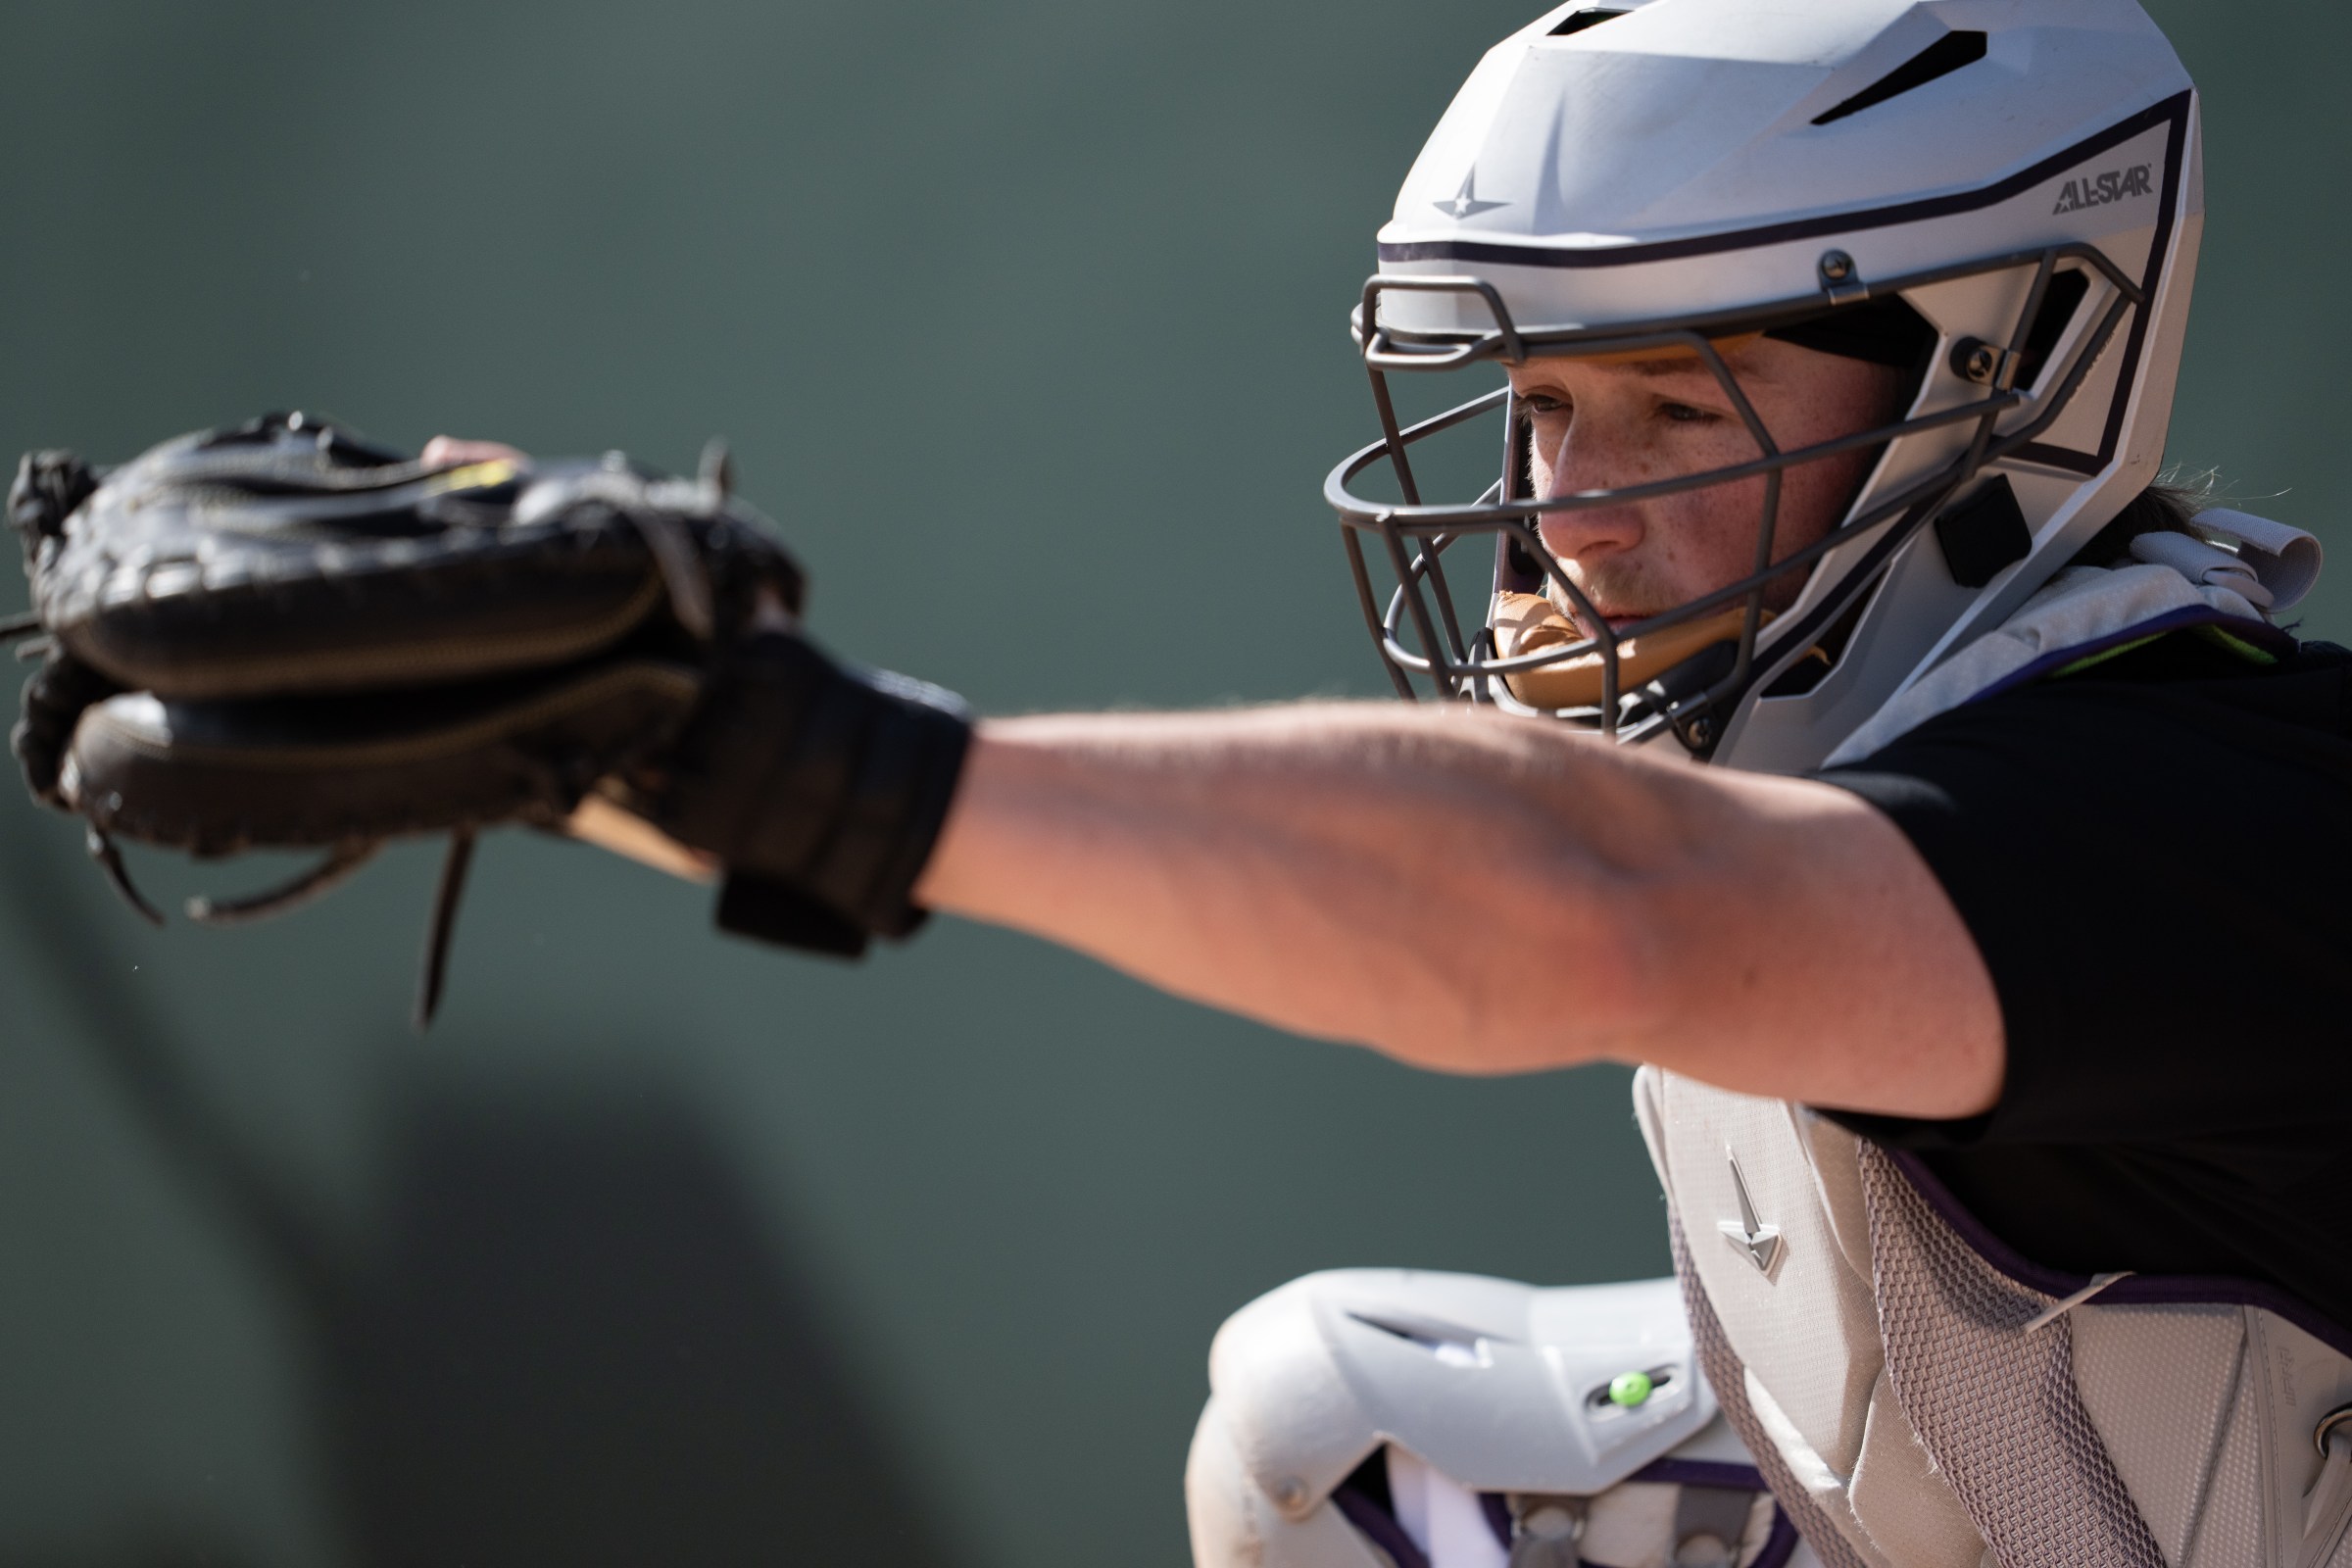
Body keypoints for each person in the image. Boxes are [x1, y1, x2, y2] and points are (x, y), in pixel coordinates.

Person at [440, 0, 2352, 1562]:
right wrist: (587, 743)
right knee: (1341, 1435)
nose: (1563, 520)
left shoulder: (2184, 799)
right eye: (1540, 409)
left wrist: (838, 769)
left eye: (1681, 407)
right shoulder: (1901, 742)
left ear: (2010, 374)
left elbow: (1602, 899)